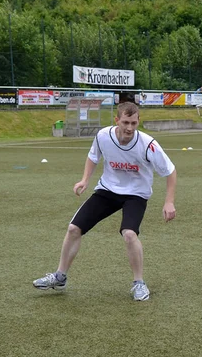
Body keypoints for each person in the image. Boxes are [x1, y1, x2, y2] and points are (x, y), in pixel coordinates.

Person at [33, 101, 177, 301]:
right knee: (74, 228)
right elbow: (93, 157)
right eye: (125, 122)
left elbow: (170, 171)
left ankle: (139, 283)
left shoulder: (148, 144)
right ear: (117, 120)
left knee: (129, 234)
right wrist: (85, 180)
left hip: (136, 194)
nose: (129, 128)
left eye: (134, 123)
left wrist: (169, 202)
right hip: (107, 190)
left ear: (138, 121)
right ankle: (60, 277)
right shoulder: (103, 136)